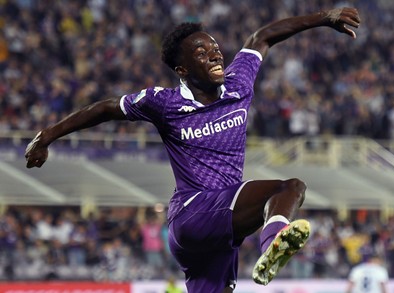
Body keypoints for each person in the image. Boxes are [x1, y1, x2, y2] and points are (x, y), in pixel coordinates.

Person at [25, 7, 360, 293]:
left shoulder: (238, 82)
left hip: (217, 234)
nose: (214, 54)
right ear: (183, 70)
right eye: (202, 53)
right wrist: (46, 136)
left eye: (215, 48)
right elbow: (105, 108)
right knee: (290, 188)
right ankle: (274, 241)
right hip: (192, 213)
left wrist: (324, 17)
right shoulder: (163, 102)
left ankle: (272, 244)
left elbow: (262, 36)